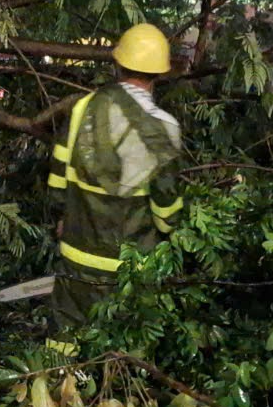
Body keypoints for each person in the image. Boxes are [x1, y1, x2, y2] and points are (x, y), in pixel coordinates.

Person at [45, 23, 185, 356]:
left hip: (79, 249)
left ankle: (56, 390)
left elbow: (59, 171)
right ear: (159, 75)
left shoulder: (83, 108)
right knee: (128, 344)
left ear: (117, 65)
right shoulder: (165, 125)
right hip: (132, 264)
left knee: (64, 338)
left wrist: (59, 217)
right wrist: (170, 233)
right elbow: (165, 202)